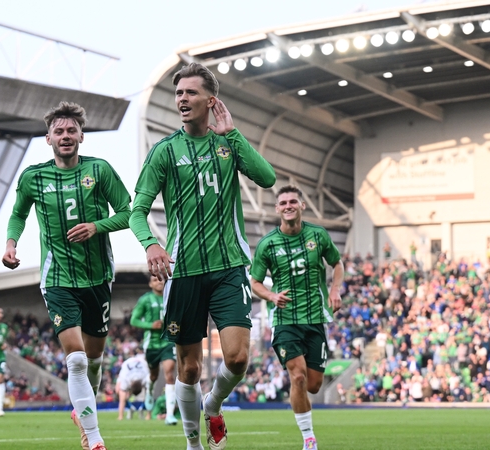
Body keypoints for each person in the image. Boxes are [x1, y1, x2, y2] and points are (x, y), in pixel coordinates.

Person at [129, 62, 276, 450]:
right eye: (178, 93)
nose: (182, 99)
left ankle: (214, 404)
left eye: (190, 92)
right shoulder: (164, 151)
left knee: (238, 357)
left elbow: (267, 178)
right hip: (184, 271)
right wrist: (151, 244)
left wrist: (235, 134)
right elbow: (136, 211)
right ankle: (194, 443)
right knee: (190, 367)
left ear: (211, 100)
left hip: (229, 267)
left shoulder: (228, 144)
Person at [2, 101, 131, 450]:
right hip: (57, 277)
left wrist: (96, 226)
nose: (65, 136)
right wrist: (11, 243)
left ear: (81, 136)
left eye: (71, 130)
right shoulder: (33, 176)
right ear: (48, 139)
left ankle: (83, 410)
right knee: (75, 359)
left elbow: (128, 213)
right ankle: (94, 439)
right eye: (59, 131)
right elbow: (18, 215)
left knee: (94, 362)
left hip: (98, 276)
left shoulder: (99, 170)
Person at [249, 185, 344, 450]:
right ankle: (308, 439)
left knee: (313, 385)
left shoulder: (318, 235)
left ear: (302, 205)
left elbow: (337, 264)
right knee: (298, 377)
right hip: (285, 320)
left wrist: (335, 289)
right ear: (277, 209)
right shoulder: (268, 243)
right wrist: (271, 296)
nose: (288, 205)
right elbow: (255, 281)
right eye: (283, 202)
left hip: (315, 318)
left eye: (293, 201)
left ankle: (306, 426)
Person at [130, 275, 178, 425]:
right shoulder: (145, 299)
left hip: (168, 342)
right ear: (150, 283)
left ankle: (170, 415)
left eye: (162, 279)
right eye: (156, 280)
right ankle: (149, 389)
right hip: (151, 345)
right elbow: (134, 320)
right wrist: (151, 325)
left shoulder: (171, 296)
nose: (159, 282)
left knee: (169, 374)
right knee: (153, 376)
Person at [115, 353, 151, 420]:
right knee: (118, 391)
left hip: (142, 363)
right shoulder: (125, 378)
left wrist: (149, 415)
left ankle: (144, 410)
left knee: (149, 392)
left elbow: (149, 395)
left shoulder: (145, 377)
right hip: (127, 366)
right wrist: (120, 417)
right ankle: (128, 410)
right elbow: (122, 398)